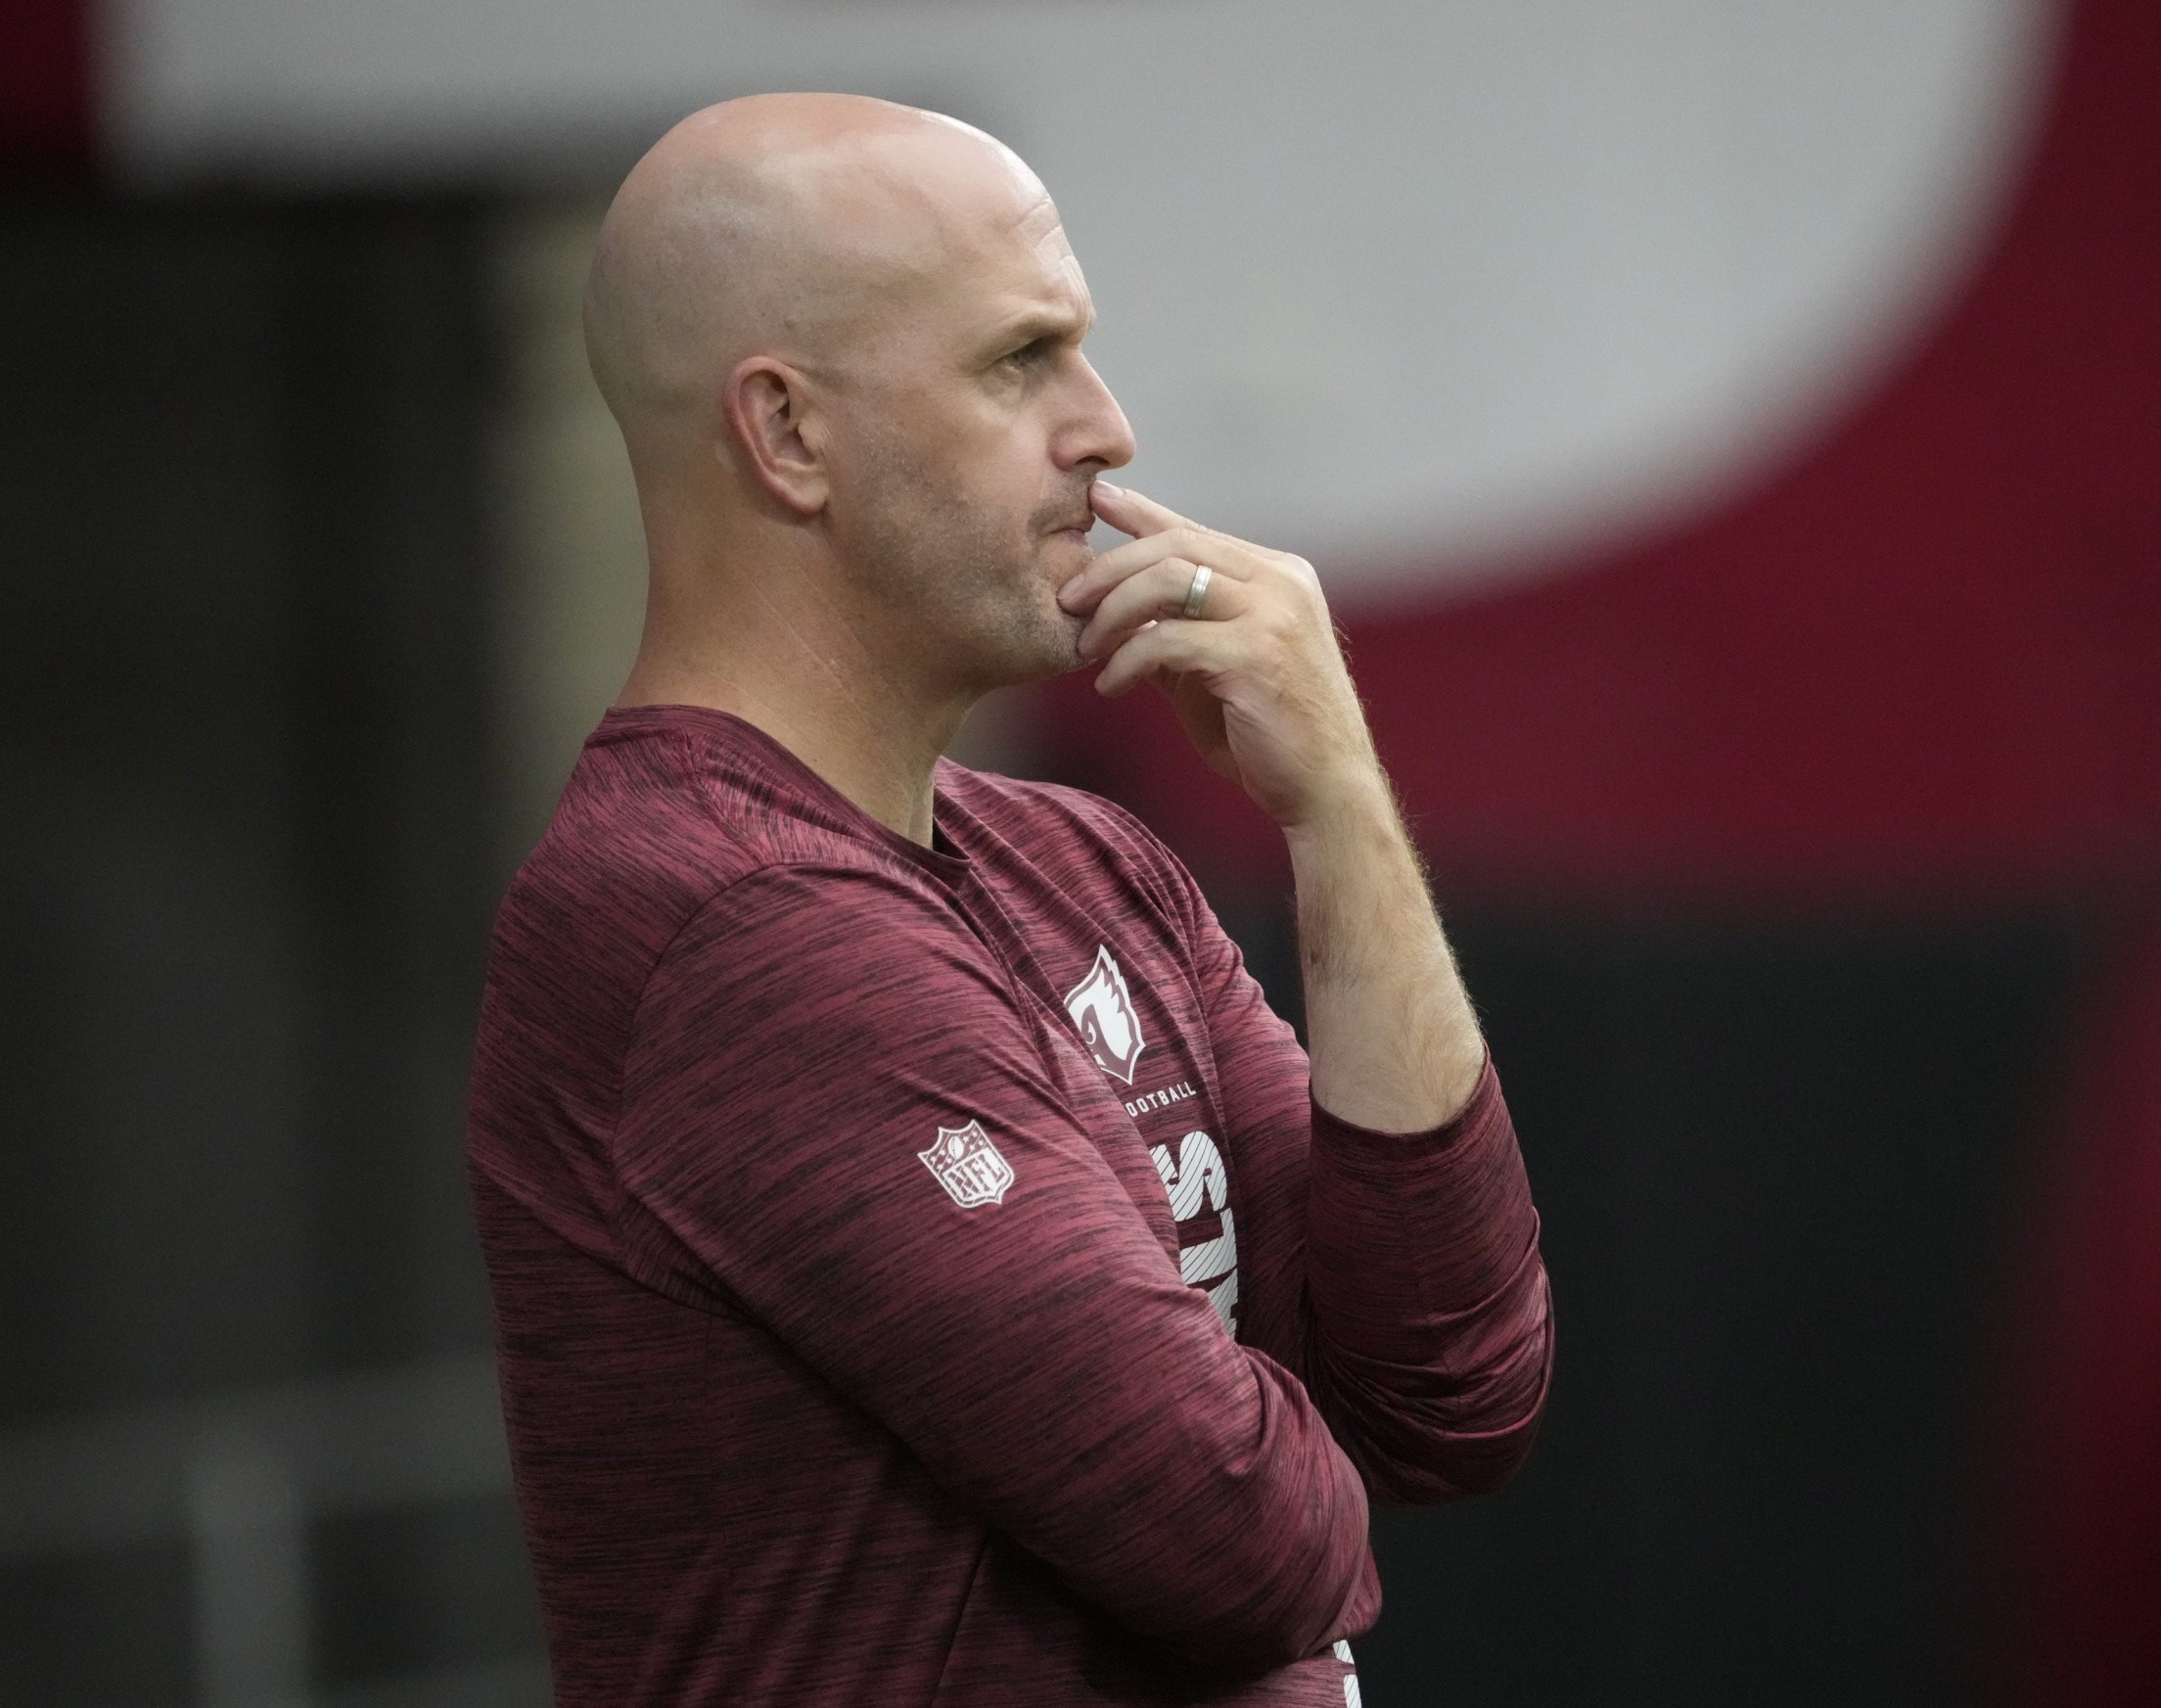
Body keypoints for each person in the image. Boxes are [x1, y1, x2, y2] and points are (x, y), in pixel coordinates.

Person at [467, 92, 1551, 1707]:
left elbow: (1452, 1393)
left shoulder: (1084, 863)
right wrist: (1275, 1465)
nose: (1107, 426)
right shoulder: (726, 924)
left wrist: (1340, 813)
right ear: (788, 435)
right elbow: (1250, 1534)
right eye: (1018, 362)